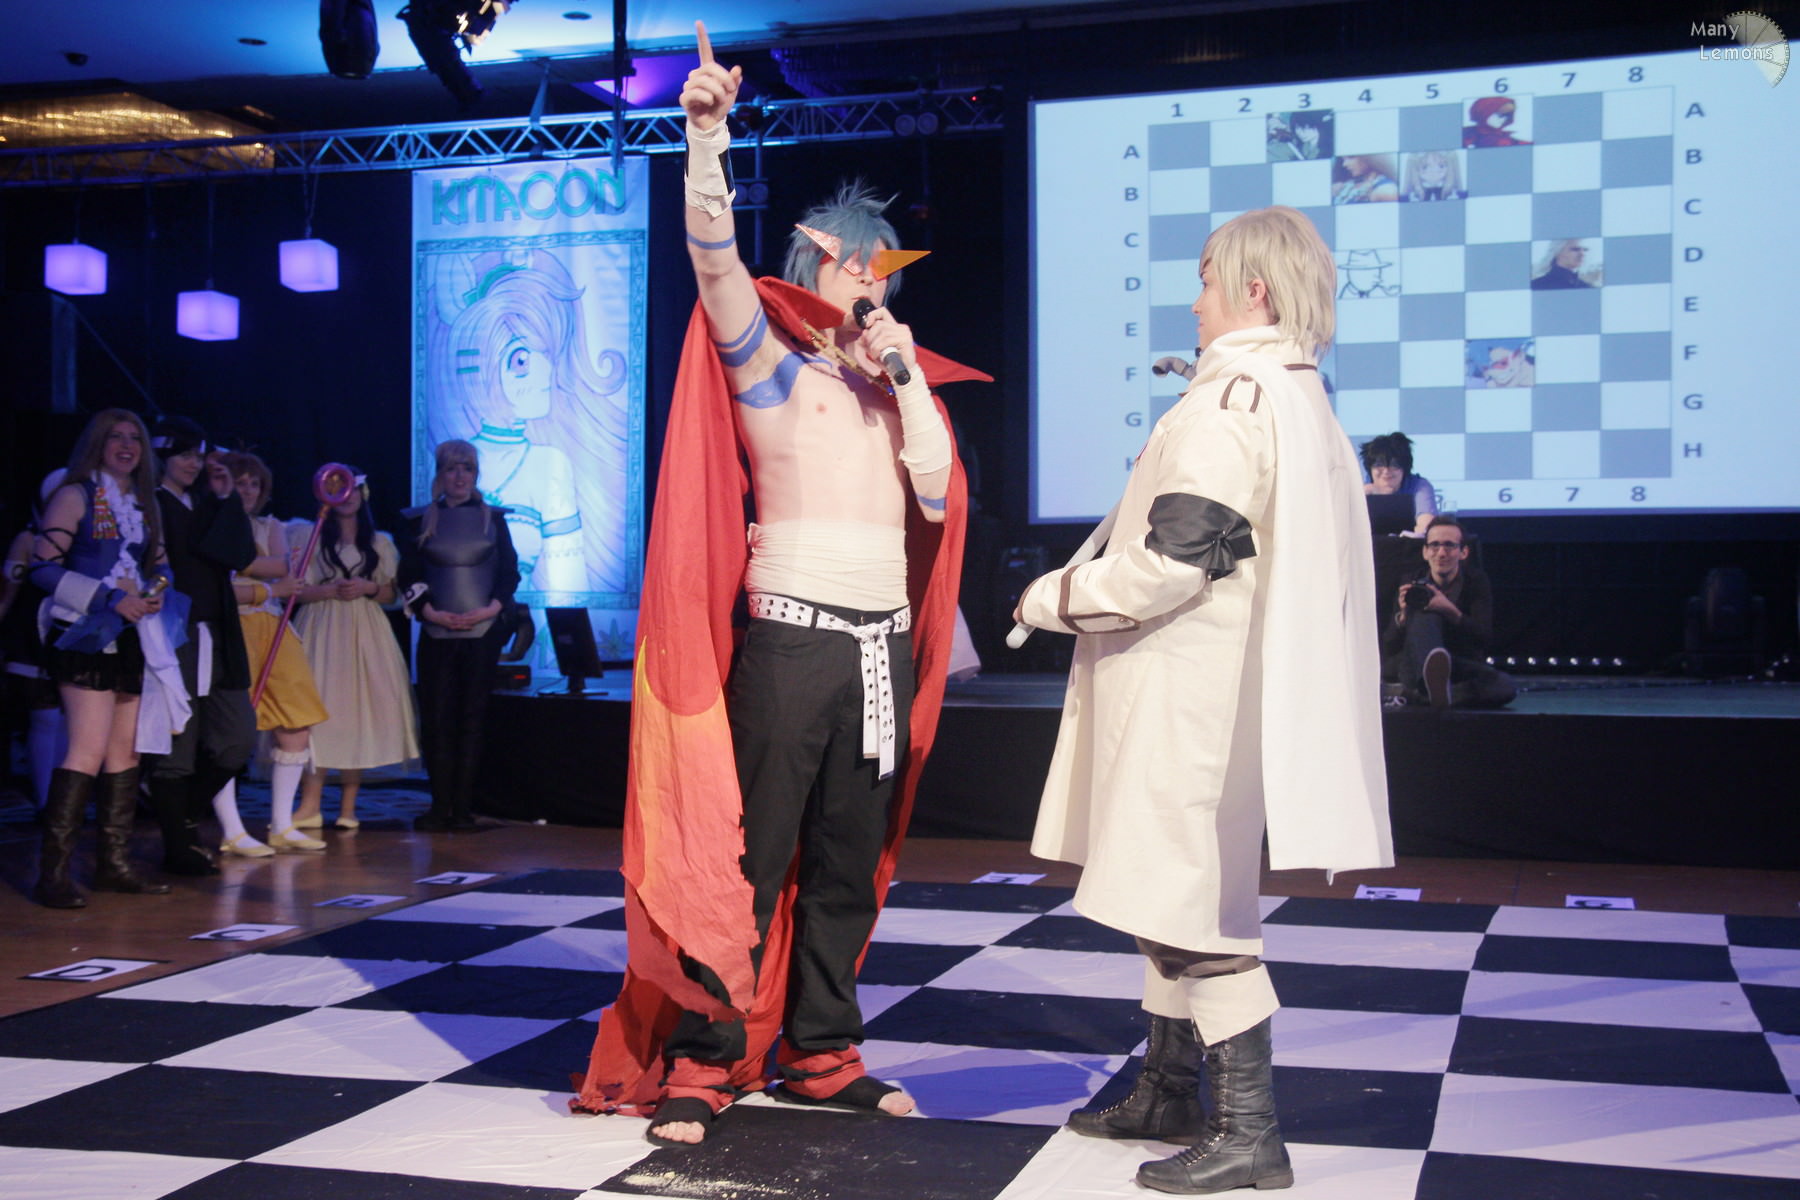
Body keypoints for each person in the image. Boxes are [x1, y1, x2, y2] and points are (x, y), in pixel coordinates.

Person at [572, 21, 986, 1148]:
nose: (871, 280)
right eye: (857, 263)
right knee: (748, 856)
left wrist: (906, 374)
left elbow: (938, 496)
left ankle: (820, 1049)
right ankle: (707, 1057)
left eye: (884, 267)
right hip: (794, 639)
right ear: (816, 267)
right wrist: (707, 139)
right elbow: (714, 262)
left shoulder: (901, 389)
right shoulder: (771, 370)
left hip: (877, 647)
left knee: (849, 859)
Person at [1013, 206, 1392, 1194]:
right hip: (1214, 692)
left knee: (1190, 908)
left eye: (1207, 278)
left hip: (1189, 695)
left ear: (1253, 290)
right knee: (1174, 891)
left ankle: (1248, 1130)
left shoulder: (1232, 400)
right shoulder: (1296, 396)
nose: (1195, 300)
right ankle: (1170, 1086)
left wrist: (1051, 598)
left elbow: (1173, 563)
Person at [26, 409, 172, 907]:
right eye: (116, 437)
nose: (127, 445)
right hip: (86, 632)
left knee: (125, 753)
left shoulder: (146, 503)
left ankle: (113, 864)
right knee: (86, 749)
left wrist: (154, 592)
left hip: (132, 634)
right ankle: (53, 875)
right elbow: (41, 568)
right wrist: (107, 598)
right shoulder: (75, 495)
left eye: (135, 438)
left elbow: (162, 567)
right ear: (98, 444)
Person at [425, 247, 630, 595]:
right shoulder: (446, 474)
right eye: (521, 360)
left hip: (512, 619)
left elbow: (568, 586)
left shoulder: (550, 464)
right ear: (480, 369)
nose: (544, 372)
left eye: (546, 354)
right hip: (447, 619)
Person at [145, 415, 259, 876]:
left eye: (198, 455)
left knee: (237, 739)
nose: (194, 464)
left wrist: (227, 495)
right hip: (176, 630)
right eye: (185, 455)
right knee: (178, 741)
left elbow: (240, 554)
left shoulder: (205, 502)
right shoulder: (152, 503)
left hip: (217, 630)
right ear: (164, 455)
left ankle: (184, 817)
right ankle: (178, 845)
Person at [398, 440, 519, 833]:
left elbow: (509, 573)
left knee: (472, 719)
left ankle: (463, 809)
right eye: (452, 468)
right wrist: (430, 611)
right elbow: (408, 574)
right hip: (436, 633)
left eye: (467, 468)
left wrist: (490, 609)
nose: (460, 476)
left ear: (475, 473)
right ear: (440, 474)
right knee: (436, 720)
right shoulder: (420, 520)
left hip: (481, 634)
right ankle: (439, 807)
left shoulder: (493, 519)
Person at [289, 469, 419, 830]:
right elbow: (294, 590)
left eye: (352, 489)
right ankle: (310, 803)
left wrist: (367, 588)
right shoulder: (309, 535)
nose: (346, 497)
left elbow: (392, 594)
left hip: (365, 630)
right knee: (317, 711)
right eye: (337, 490)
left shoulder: (379, 542)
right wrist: (329, 591)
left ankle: (349, 807)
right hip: (321, 626)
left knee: (358, 711)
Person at [218, 452, 329, 855]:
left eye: (254, 484)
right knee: (228, 729)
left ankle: (282, 824)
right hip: (230, 628)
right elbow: (222, 579)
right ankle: (232, 830)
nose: (247, 490)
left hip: (271, 627)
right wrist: (265, 571)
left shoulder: (271, 526)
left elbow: (282, 569)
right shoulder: (212, 525)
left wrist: (263, 571)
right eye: (240, 482)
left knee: (296, 721)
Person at [1383, 515, 1516, 709]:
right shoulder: (1412, 583)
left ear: (1463, 552)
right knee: (1425, 612)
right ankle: (1432, 684)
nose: (1441, 553)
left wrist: (1450, 611)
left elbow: (1484, 638)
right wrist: (1403, 617)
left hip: (1456, 662)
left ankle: (1419, 695)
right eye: (1434, 545)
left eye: (1449, 545)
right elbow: (1389, 645)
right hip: (1413, 662)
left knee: (1505, 685)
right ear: (1425, 552)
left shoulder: (1475, 582)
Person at [2, 475, 68, 814]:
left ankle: (64, 803)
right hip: (32, 638)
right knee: (45, 717)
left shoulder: (87, 538)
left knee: (70, 720)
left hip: (72, 634)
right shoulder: (28, 540)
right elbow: (7, 593)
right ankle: (47, 802)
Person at [1360, 431, 1437, 535]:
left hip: (1408, 544)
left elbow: (1426, 527)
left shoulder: (1420, 486)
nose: (1386, 471)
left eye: (1394, 465)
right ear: (1370, 468)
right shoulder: (1363, 487)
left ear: (1405, 468)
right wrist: (1362, 495)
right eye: (1379, 464)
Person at [1462, 96, 1531, 148]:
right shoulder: (1466, 134)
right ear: (1483, 113)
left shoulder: (1504, 138)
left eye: (1507, 115)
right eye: (1499, 114)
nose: (1503, 119)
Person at [1400, 150, 1466, 201]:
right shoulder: (1412, 156)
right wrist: (1406, 195)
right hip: (1423, 190)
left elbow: (1458, 179)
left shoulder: (1451, 154)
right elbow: (1407, 183)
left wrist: (1459, 191)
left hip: (1443, 189)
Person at [1531, 239, 1597, 289]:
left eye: (1585, 249)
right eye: (1575, 249)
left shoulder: (1588, 288)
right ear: (1557, 252)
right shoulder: (1536, 286)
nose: (1582, 254)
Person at [1331, 155, 1397, 204]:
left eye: (1351, 157)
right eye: (1343, 159)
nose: (1344, 164)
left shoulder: (1386, 190)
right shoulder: (1345, 185)